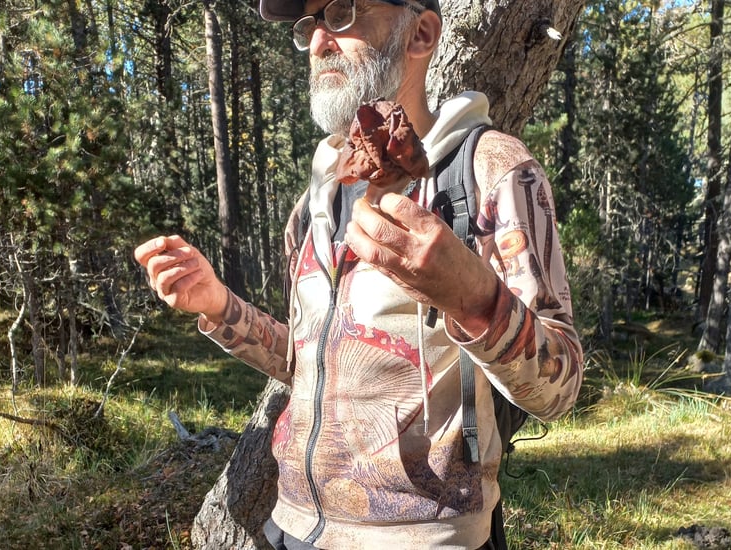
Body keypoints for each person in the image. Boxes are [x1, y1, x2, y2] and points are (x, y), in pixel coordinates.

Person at [134, 0, 584, 547]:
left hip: (425, 536)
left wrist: (474, 299)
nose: (318, 40)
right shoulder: (314, 205)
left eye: (342, 11)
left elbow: (561, 389)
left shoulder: (492, 171)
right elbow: (305, 366)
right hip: (295, 526)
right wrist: (218, 305)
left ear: (421, 34)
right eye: (308, 24)